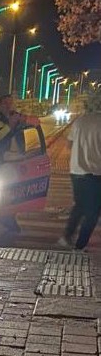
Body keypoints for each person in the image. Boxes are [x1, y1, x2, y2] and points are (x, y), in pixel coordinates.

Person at [57, 101, 101, 251]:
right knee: (93, 213)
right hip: (95, 173)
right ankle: (80, 245)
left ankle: (66, 237)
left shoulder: (79, 121)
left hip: (76, 171)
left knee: (79, 206)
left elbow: (69, 145)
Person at [0, 93, 40, 160]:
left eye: (11, 103)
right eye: (5, 103)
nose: (8, 106)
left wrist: (27, 119)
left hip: (20, 158)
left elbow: (35, 122)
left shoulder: (18, 118)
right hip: (1, 160)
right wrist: (9, 125)